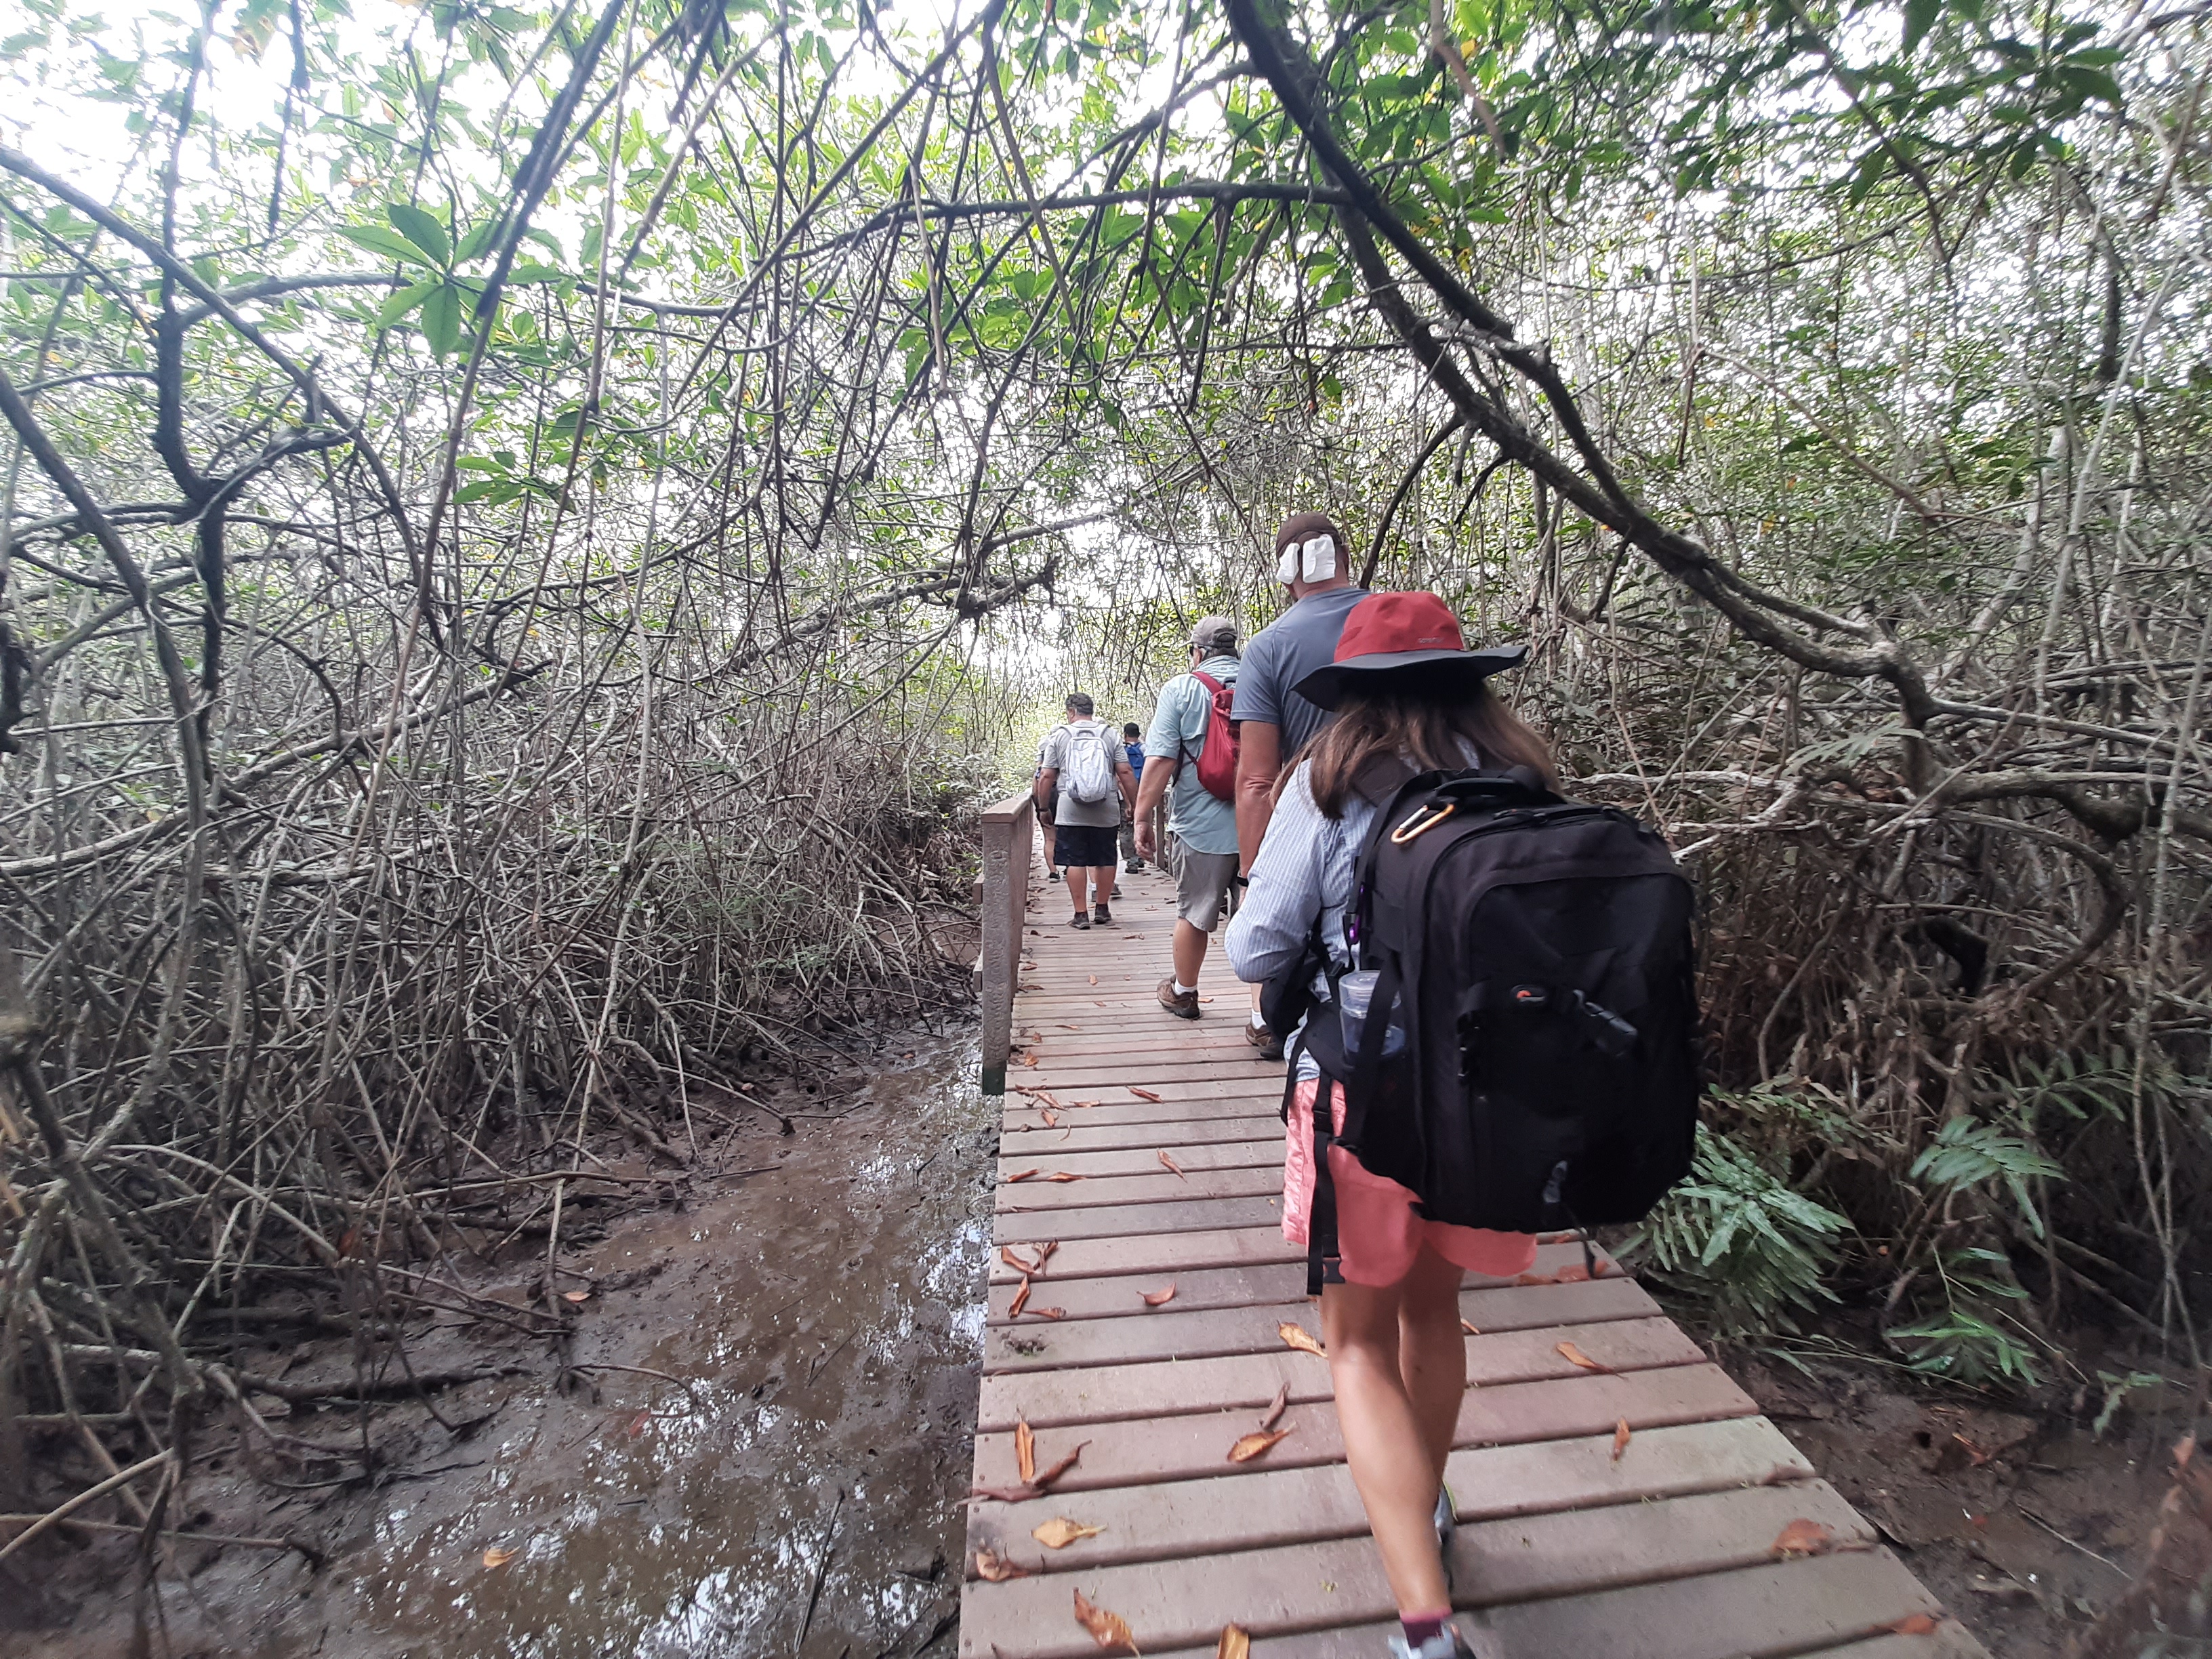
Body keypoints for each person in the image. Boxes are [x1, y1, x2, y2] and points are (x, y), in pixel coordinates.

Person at [1225, 591, 1555, 1659]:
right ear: (1468, 678)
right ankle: (1433, 1504)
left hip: (1361, 1098)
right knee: (1433, 1318)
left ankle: (1423, 1627)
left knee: (1355, 1346)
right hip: (1488, 1101)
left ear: (1351, 693)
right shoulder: (1524, 783)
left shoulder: (1327, 787)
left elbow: (1254, 952)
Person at [1231, 510, 1370, 1059]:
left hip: (1322, 828)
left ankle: (1274, 1024)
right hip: (1425, 835)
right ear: (1343, 557)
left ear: (1286, 571)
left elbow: (1257, 780)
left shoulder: (1269, 647)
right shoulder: (1398, 620)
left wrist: (1252, 877)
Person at [1133, 617, 1242, 1018]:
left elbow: (1161, 759)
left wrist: (1141, 818)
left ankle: (1184, 992)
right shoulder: (1265, 681)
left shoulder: (1182, 689)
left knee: (1195, 913)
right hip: (1263, 826)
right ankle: (1263, 1020)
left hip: (1201, 828)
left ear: (1197, 653)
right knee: (1262, 917)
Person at [1034, 693, 1136, 929]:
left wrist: (1043, 807)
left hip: (1070, 810)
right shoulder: (1109, 734)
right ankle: (1102, 908)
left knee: (1074, 861)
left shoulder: (1060, 736)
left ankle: (1081, 915)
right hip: (1106, 807)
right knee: (1106, 857)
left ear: (1070, 711)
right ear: (1091, 710)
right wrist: (1134, 803)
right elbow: (1126, 772)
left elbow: (1047, 775)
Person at [1118, 722, 1147, 873]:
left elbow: (1119, 775)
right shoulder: (1145, 749)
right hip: (1144, 794)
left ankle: (1132, 861)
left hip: (1125, 795)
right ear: (1139, 734)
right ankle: (1141, 856)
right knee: (1142, 823)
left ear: (1125, 735)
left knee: (1126, 828)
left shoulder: (1121, 751)